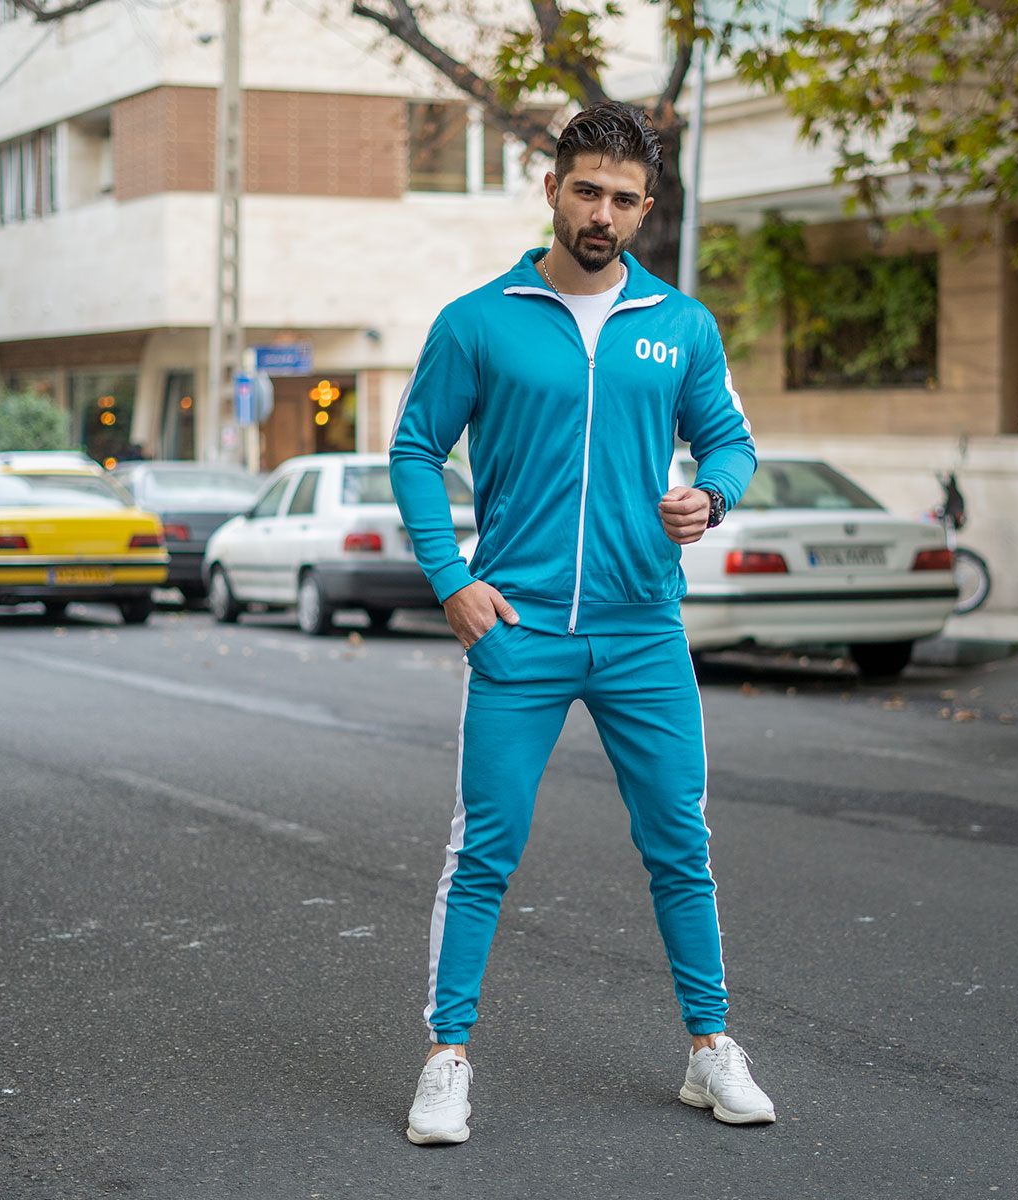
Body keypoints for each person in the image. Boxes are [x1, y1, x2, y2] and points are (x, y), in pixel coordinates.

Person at [390, 100, 774, 1146]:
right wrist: (452, 580)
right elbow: (416, 449)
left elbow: (731, 442)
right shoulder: (479, 320)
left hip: (643, 627)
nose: (603, 214)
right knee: (484, 849)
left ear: (646, 210)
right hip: (517, 628)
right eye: (587, 191)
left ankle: (710, 1048)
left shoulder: (681, 326)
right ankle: (446, 1058)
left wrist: (712, 497)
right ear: (553, 189)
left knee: (680, 842)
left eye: (624, 199)